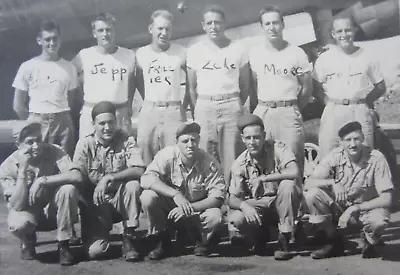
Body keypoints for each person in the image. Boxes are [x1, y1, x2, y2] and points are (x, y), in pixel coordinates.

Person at [304, 121, 393, 259]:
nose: (353, 144)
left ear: (363, 138)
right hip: (340, 207)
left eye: (356, 139)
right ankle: (334, 241)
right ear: (341, 142)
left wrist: (356, 208)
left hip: (366, 209)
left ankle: (370, 240)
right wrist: (332, 182)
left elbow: (387, 198)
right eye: (348, 140)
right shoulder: (335, 155)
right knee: (312, 195)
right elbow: (308, 184)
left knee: (379, 221)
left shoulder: (376, 158)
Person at [140, 121, 226, 260]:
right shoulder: (167, 155)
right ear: (176, 142)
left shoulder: (208, 162)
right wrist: (175, 194)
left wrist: (188, 207)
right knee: (148, 197)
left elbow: (218, 197)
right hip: (170, 212)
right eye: (185, 141)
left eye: (194, 140)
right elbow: (146, 179)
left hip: (196, 210)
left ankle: (201, 240)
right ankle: (162, 239)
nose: (190, 145)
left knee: (215, 215)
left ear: (199, 141)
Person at [0, 120, 82, 265]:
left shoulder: (54, 150)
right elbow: (17, 205)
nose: (36, 146)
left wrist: (43, 180)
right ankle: (28, 239)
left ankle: (64, 244)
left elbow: (77, 175)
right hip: (29, 213)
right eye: (30, 142)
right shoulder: (7, 166)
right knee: (19, 223)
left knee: (68, 189)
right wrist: (23, 170)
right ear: (18, 145)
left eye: (39, 140)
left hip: (53, 211)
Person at [71, 101, 146, 261]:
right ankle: (98, 234)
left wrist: (109, 177)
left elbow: (139, 169)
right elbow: (77, 176)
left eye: (110, 122)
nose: (107, 127)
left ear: (116, 122)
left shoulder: (126, 140)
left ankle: (128, 237)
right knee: (95, 252)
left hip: (120, 200)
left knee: (133, 185)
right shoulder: (85, 144)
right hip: (97, 204)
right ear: (93, 124)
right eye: (102, 123)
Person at [186, 4, 250, 182]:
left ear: (225, 24)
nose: (214, 26)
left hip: (231, 105)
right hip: (205, 106)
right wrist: (199, 107)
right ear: (203, 25)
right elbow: (191, 88)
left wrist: (233, 102)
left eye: (217, 22)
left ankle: (233, 195)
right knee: (204, 152)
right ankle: (210, 196)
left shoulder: (238, 48)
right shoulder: (194, 51)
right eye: (209, 23)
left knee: (231, 153)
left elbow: (245, 84)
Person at [227, 114, 302, 260]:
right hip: (259, 206)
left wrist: (264, 178)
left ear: (264, 136)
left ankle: (285, 238)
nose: (253, 142)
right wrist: (244, 206)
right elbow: (232, 198)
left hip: (282, 204)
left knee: (288, 185)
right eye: (248, 138)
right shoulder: (239, 164)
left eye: (256, 137)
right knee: (237, 218)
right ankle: (260, 234)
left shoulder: (277, 148)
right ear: (242, 139)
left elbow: (294, 171)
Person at [249, 6, 312, 175]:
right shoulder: (255, 53)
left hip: (288, 112)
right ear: (261, 27)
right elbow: (254, 85)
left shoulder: (297, 53)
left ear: (283, 25)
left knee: (292, 160)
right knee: (265, 161)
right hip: (264, 111)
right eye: (267, 23)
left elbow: (307, 88)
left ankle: (295, 199)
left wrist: (292, 108)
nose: (272, 27)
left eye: (275, 23)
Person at [313, 16, 386, 158]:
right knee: (329, 153)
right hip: (334, 110)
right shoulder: (324, 58)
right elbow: (315, 86)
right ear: (333, 34)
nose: (344, 35)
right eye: (339, 31)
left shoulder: (367, 56)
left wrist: (364, 102)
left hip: (358, 109)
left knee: (363, 155)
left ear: (355, 30)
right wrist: (328, 102)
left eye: (348, 30)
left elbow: (380, 86)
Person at [12, 21, 78, 157]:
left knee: (63, 162)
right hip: (37, 120)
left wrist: (59, 116)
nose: (52, 43)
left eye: (55, 38)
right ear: (39, 40)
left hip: (62, 122)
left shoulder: (69, 68)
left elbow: (71, 100)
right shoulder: (27, 67)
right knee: (37, 161)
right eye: (47, 39)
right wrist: (32, 123)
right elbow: (18, 105)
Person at [136, 10, 189, 165]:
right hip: (150, 109)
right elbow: (139, 81)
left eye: (168, 29)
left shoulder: (180, 52)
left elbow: (192, 81)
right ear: (151, 29)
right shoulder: (141, 53)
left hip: (172, 110)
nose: (164, 33)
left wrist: (183, 106)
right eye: (160, 28)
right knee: (145, 149)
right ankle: (147, 187)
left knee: (174, 154)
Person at [72, 13, 135, 138]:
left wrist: (128, 105)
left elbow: (131, 83)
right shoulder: (84, 55)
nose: (105, 34)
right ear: (94, 33)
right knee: (91, 153)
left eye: (109, 30)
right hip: (92, 112)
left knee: (121, 153)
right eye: (101, 30)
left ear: (114, 31)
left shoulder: (128, 55)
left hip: (119, 113)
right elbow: (72, 80)